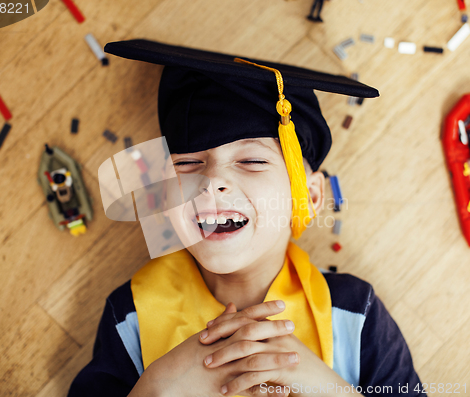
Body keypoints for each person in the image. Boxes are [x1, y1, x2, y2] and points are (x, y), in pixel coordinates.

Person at [68, 39, 426, 397]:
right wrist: (159, 386)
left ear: (310, 196)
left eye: (252, 161)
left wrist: (331, 389)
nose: (213, 182)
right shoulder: (131, 313)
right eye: (187, 163)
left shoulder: (353, 313)